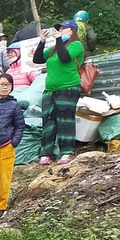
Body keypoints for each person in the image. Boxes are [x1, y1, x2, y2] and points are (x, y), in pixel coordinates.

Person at [33, 21, 84, 166]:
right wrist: (42, 41)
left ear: (72, 31)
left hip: (68, 87)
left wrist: (57, 40)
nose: (59, 31)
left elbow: (65, 57)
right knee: (48, 121)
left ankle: (66, 152)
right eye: (58, 29)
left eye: (63, 28)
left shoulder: (76, 45)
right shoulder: (54, 48)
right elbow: (37, 59)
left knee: (65, 120)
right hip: (50, 90)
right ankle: (45, 154)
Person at [0, 73, 25, 220]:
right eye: (2, 84)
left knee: (4, 179)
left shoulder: (14, 105)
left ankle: (1, 207)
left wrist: (13, 142)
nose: (4, 87)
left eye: (8, 85)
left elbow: (20, 126)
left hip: (5, 147)